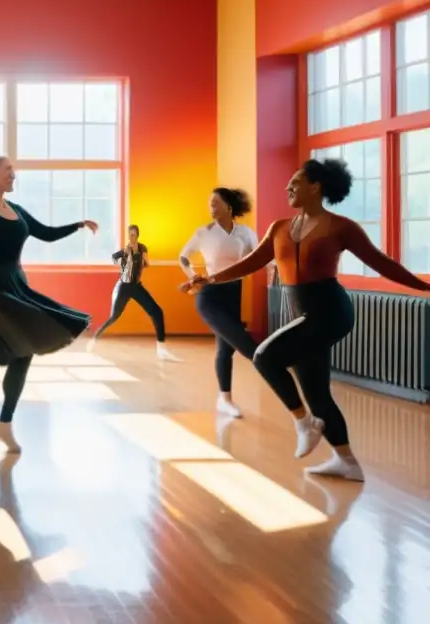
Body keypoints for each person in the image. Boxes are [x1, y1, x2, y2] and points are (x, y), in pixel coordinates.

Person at [184, 159, 430, 481]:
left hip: (330, 311)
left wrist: (425, 286)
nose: (288, 188)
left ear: (316, 187)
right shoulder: (279, 228)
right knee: (317, 393)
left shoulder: (341, 227)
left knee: (264, 356)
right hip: (302, 315)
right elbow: (251, 263)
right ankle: (347, 462)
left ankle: (303, 422)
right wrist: (209, 279)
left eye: (295, 183)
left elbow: (381, 263)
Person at [0, 156, 98, 453]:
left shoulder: (17, 210)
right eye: (9, 170)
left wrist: (78, 224)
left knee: (19, 351)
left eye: (14, 170)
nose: (14, 174)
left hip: (16, 282)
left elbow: (46, 234)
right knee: (14, 348)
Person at [178, 188, 260, 418]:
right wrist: (191, 274)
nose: (211, 207)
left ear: (229, 206)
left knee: (226, 349)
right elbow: (184, 255)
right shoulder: (203, 232)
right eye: (209, 203)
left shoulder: (245, 233)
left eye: (215, 202)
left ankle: (224, 399)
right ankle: (275, 366)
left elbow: (258, 256)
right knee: (245, 343)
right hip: (209, 296)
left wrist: (275, 270)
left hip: (234, 294)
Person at [88, 224, 175, 359]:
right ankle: (94, 339)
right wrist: (124, 256)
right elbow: (113, 258)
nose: (131, 237)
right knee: (114, 317)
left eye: (133, 234)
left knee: (157, 312)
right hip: (123, 287)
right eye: (129, 235)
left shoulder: (142, 248)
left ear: (137, 235)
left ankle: (161, 348)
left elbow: (147, 264)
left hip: (136, 287)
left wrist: (140, 258)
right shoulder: (124, 251)